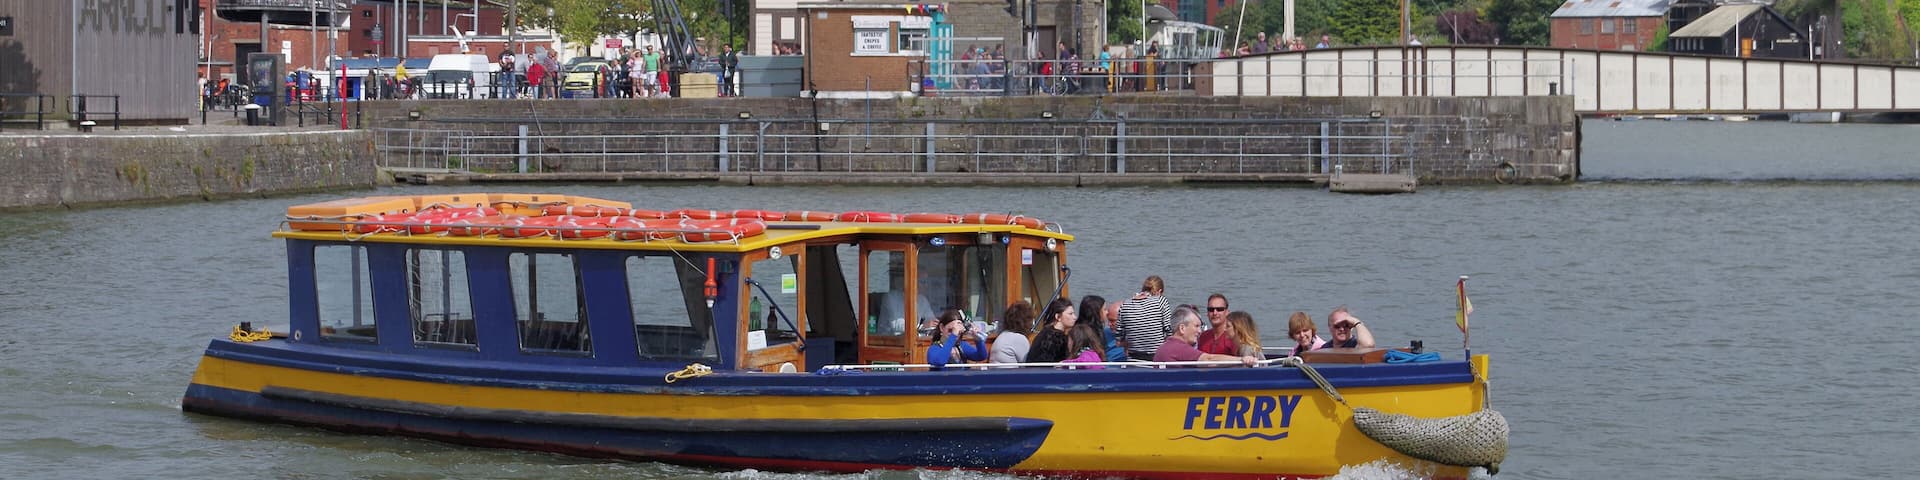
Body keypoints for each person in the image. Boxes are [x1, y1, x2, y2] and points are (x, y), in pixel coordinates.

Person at [1153, 306, 1258, 366]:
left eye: (1200, 326)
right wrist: (1242, 360)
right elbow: (1209, 360)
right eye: (1196, 326)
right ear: (1182, 328)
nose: (1200, 331)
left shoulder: (1164, 347)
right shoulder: (1179, 348)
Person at [1116, 275, 1173, 360]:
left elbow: (1119, 340)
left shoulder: (1125, 304)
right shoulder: (1161, 301)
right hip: (1156, 359)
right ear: (1160, 291)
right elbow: (1168, 331)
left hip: (1133, 359)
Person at [1025, 298, 1076, 363]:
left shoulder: (1044, 333)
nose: (1075, 317)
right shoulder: (1058, 338)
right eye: (1070, 314)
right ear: (1058, 317)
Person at [1075, 295, 1123, 364]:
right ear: (1096, 312)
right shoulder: (1085, 333)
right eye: (1104, 309)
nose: (1106, 312)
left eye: (1113, 321)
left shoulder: (1134, 335)